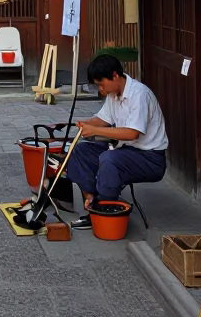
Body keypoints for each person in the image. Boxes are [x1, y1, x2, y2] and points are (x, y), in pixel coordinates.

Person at [62, 53, 168, 229]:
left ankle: (106, 208)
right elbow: (102, 119)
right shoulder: (113, 94)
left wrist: (94, 130)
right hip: (125, 150)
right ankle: (91, 198)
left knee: (109, 160)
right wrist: (86, 124)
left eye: (101, 84)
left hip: (149, 158)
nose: (101, 89)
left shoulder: (139, 94)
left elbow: (132, 133)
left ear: (115, 75)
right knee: (81, 151)